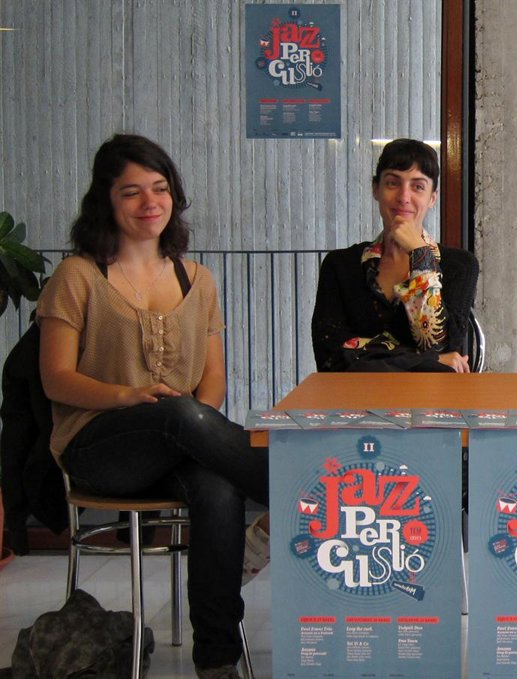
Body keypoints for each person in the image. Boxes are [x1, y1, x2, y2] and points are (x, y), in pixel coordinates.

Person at [38, 134, 267, 679]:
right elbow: (55, 379)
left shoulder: (197, 279)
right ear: (106, 200)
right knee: (179, 414)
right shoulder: (79, 275)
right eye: (132, 192)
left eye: (160, 189)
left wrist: (197, 422)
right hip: (100, 445)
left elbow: (213, 378)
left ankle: (216, 661)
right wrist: (130, 396)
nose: (150, 203)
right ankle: (301, 492)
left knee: (218, 488)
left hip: (178, 439)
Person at [312, 138, 479, 373]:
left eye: (418, 187)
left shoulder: (460, 265)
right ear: (376, 189)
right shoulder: (339, 265)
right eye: (392, 183)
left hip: (432, 396)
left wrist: (420, 255)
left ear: (432, 198)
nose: (403, 197)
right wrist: (428, 361)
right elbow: (331, 359)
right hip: (356, 395)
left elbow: (438, 344)